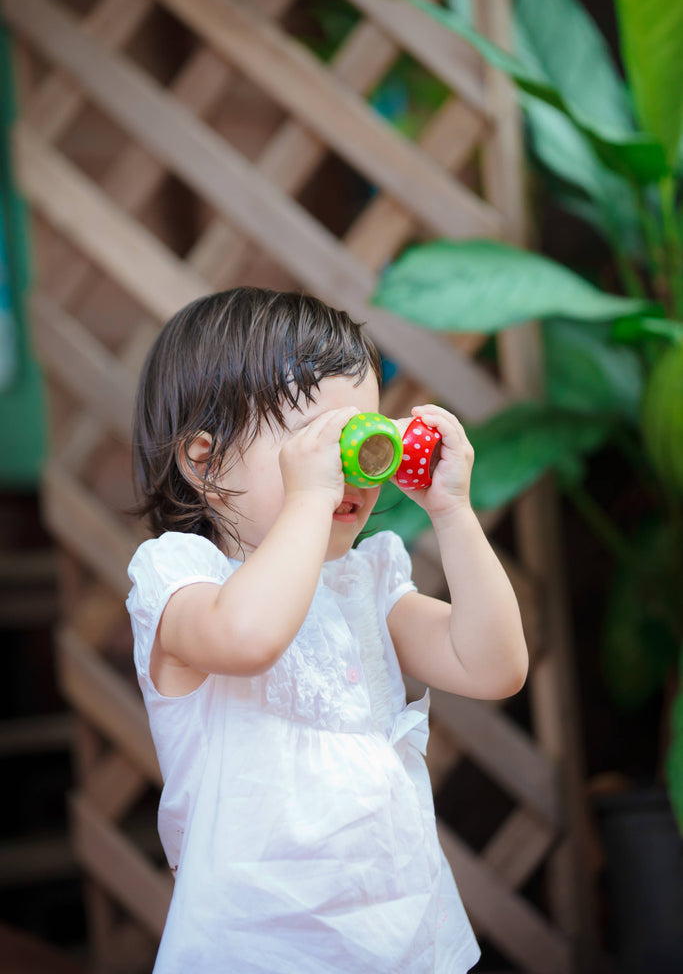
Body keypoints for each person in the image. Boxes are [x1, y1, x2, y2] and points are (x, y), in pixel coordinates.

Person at [126, 285, 528, 974]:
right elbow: (249, 639)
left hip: (404, 938)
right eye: (318, 442)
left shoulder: (364, 581)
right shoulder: (181, 579)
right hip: (256, 948)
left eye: (358, 435)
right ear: (204, 460)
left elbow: (492, 666)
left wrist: (452, 512)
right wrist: (311, 496)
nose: (345, 467)